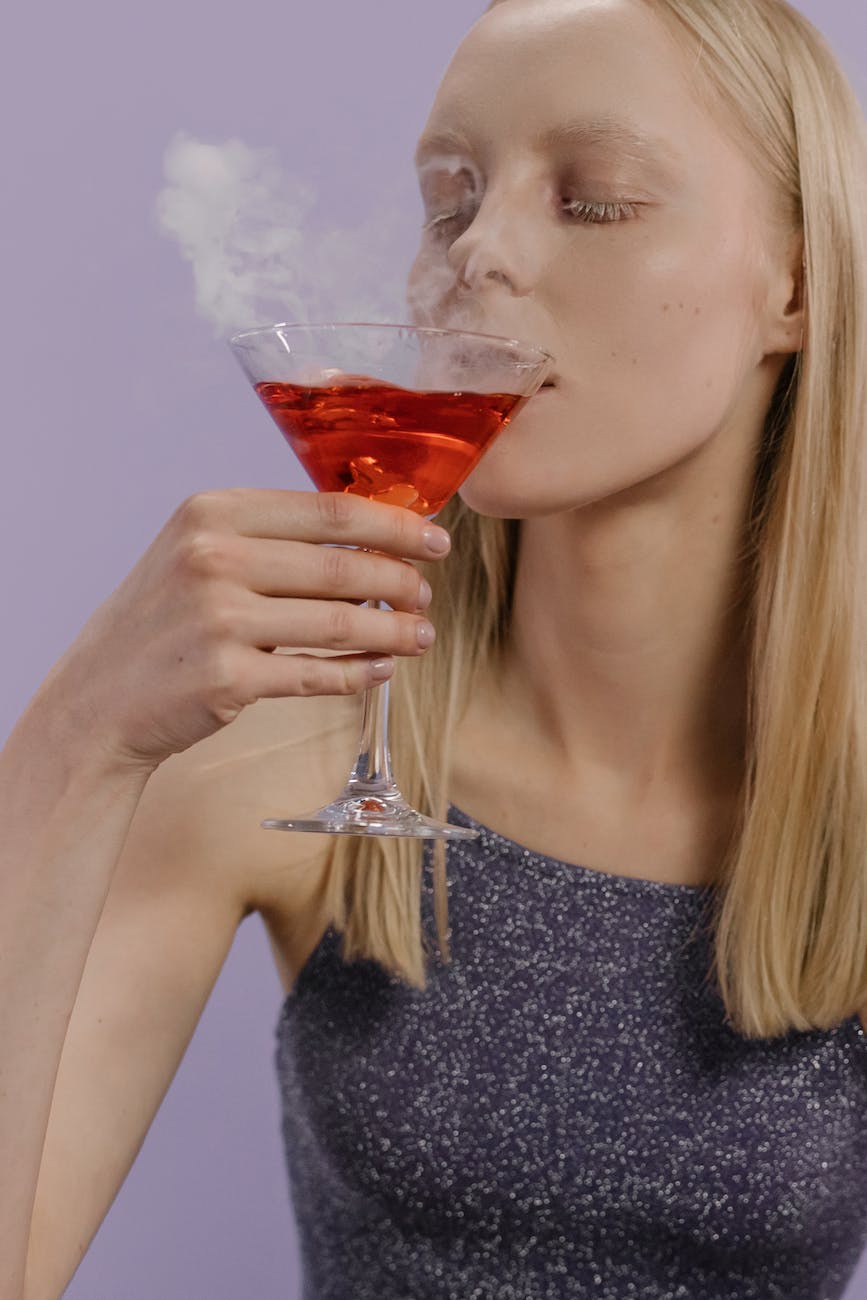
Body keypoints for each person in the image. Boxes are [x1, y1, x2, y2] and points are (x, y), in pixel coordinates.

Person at [2, 0, 867, 1295]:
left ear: (793, 284)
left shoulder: (847, 811)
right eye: (452, 195)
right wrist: (72, 740)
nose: (477, 256)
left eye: (595, 198)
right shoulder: (282, 764)